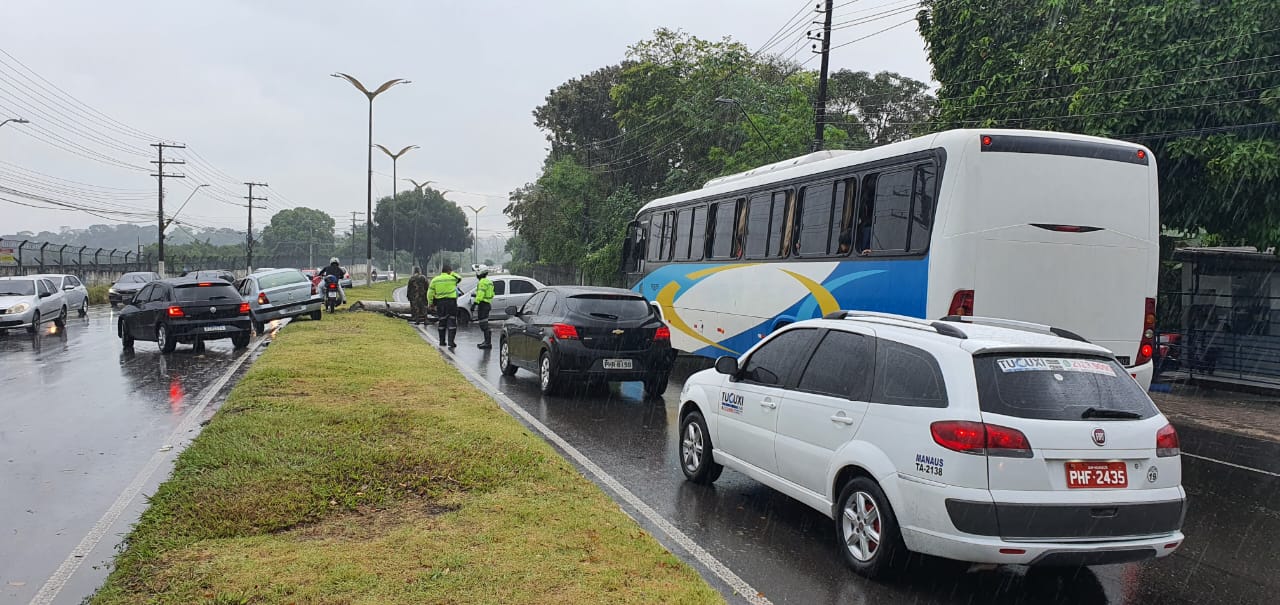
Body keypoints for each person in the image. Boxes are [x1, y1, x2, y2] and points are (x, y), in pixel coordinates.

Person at [427, 263, 463, 348]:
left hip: (441, 303)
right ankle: (451, 342)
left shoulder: (435, 280)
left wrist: (431, 303)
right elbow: (460, 278)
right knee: (452, 322)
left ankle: (442, 341)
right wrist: (452, 273)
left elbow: (430, 293)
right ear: (449, 271)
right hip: (451, 303)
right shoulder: (452, 278)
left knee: (442, 322)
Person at [474, 269, 495, 349]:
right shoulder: (489, 282)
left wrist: (475, 303)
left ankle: (487, 343)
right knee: (484, 323)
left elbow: (480, 294)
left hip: (483, 304)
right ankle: (486, 341)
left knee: (483, 324)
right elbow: (492, 294)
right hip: (487, 304)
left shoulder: (482, 282)